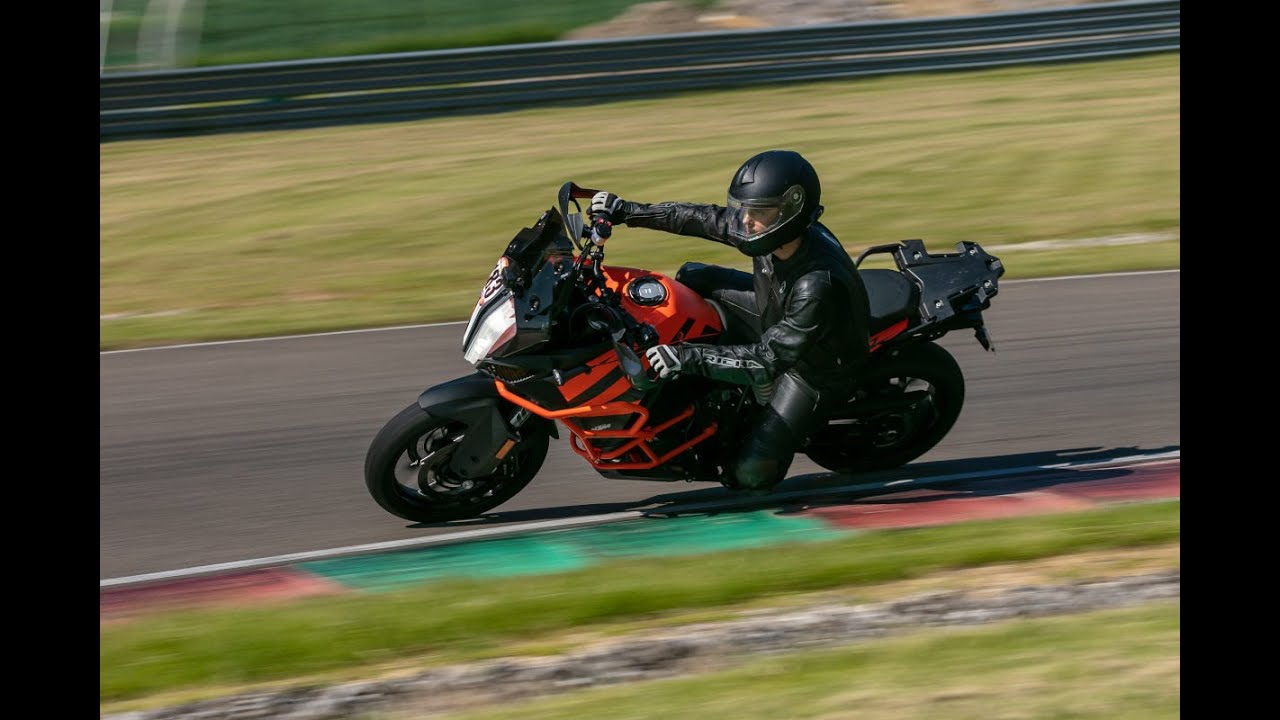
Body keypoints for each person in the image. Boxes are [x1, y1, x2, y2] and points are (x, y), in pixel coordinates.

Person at [589, 149, 871, 494]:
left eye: (759, 212)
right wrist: (627, 210)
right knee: (691, 275)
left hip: (812, 368)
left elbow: (769, 359)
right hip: (775, 313)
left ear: (791, 212)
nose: (746, 220)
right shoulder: (778, 234)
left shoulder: (816, 284)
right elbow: (699, 218)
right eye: (746, 209)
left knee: (750, 475)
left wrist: (687, 356)